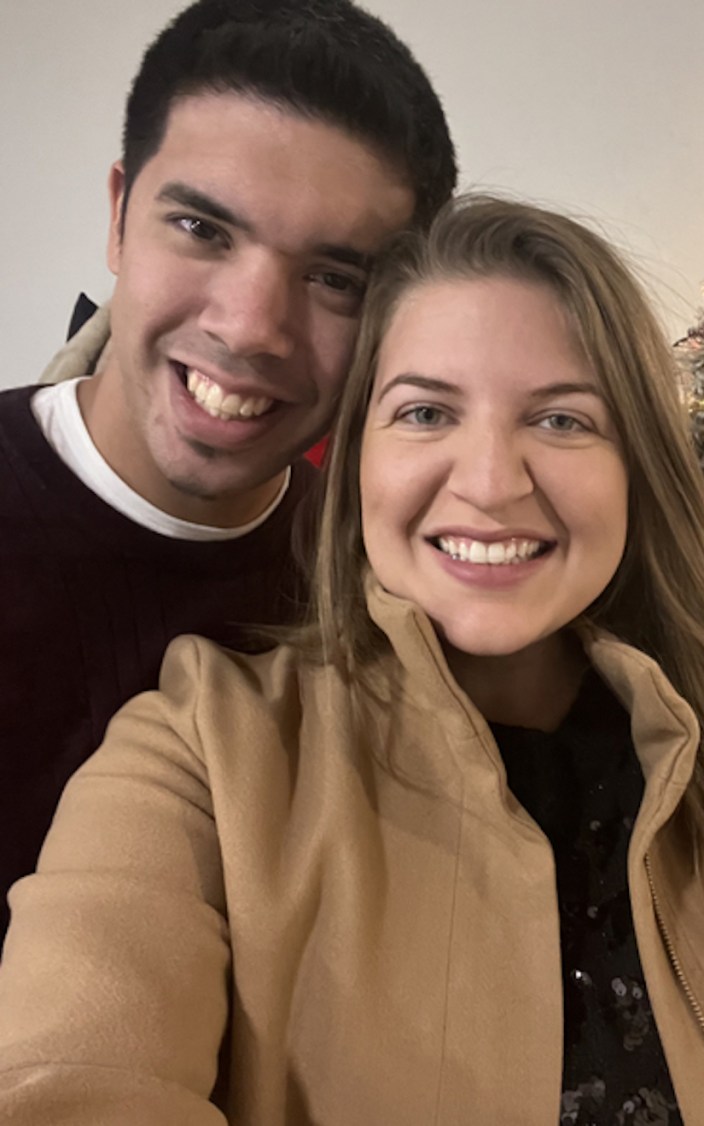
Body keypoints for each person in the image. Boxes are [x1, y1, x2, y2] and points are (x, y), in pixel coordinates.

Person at [0, 198, 704, 1125]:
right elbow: (68, 1086)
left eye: (563, 421)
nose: (490, 482)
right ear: (356, 459)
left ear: (638, 467)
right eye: (424, 412)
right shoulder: (203, 752)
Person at [0, 0, 456, 939]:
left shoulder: (386, 588)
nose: (251, 326)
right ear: (120, 216)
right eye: (203, 229)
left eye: (335, 277)